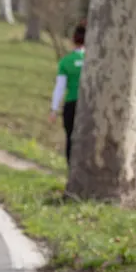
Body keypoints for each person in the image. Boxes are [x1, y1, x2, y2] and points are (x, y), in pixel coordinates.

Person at [50, 22, 85, 165]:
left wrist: (54, 109)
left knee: (71, 138)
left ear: (73, 39)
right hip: (88, 106)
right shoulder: (94, 61)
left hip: (71, 104)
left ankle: (71, 170)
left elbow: (60, 88)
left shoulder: (66, 62)